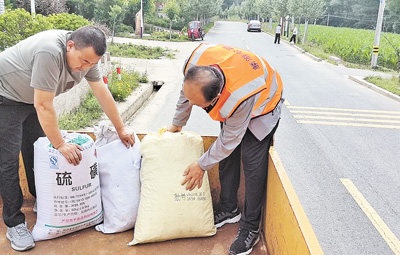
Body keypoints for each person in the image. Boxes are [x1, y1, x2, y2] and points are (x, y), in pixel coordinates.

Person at [0, 25, 135, 251]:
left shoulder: (87, 57)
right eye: (84, 62)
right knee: (8, 160)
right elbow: (43, 105)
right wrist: (60, 144)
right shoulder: (49, 52)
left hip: (31, 97)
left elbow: (101, 91)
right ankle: (15, 223)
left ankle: (41, 202)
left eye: (91, 64)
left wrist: (120, 128)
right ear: (70, 45)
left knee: (36, 153)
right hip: (6, 96)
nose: (86, 68)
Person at [168, 44, 283, 255]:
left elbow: (230, 140)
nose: (193, 105)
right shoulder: (194, 64)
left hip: (264, 103)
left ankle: (250, 227)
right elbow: (187, 95)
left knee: (251, 162)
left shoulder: (239, 94)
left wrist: (201, 165)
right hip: (237, 95)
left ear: (216, 98)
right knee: (226, 156)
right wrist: (177, 123)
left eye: (200, 105)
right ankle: (229, 208)